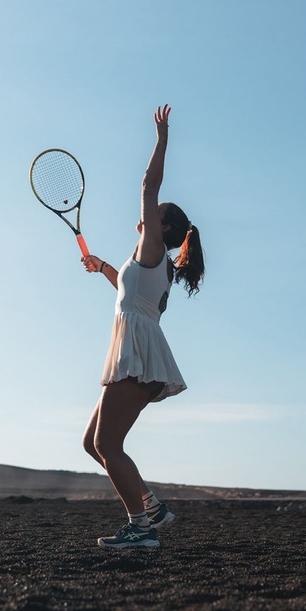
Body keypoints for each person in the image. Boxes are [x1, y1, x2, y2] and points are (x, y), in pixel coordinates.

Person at [81, 105, 205, 547]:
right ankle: (151, 506)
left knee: (107, 445)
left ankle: (141, 528)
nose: (149, 212)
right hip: (137, 347)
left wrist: (162, 140)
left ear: (162, 225)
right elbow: (131, 298)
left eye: (157, 212)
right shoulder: (153, 263)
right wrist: (105, 270)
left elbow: (148, 185)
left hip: (136, 354)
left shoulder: (153, 245)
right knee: (93, 444)